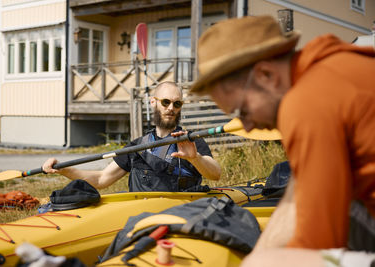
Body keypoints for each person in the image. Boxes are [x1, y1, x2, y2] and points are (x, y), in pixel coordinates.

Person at [190, 15, 375, 267]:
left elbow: (317, 242)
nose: (246, 127)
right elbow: (298, 189)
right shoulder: (330, 68)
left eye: (242, 111)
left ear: (267, 74)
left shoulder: (305, 103)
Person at [43, 81, 221, 192]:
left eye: (177, 103)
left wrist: (195, 158)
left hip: (179, 216)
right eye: (166, 102)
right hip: (140, 217)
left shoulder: (190, 141)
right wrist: (64, 170)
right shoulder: (137, 146)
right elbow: (101, 179)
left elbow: (216, 174)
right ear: (153, 102)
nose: (171, 108)